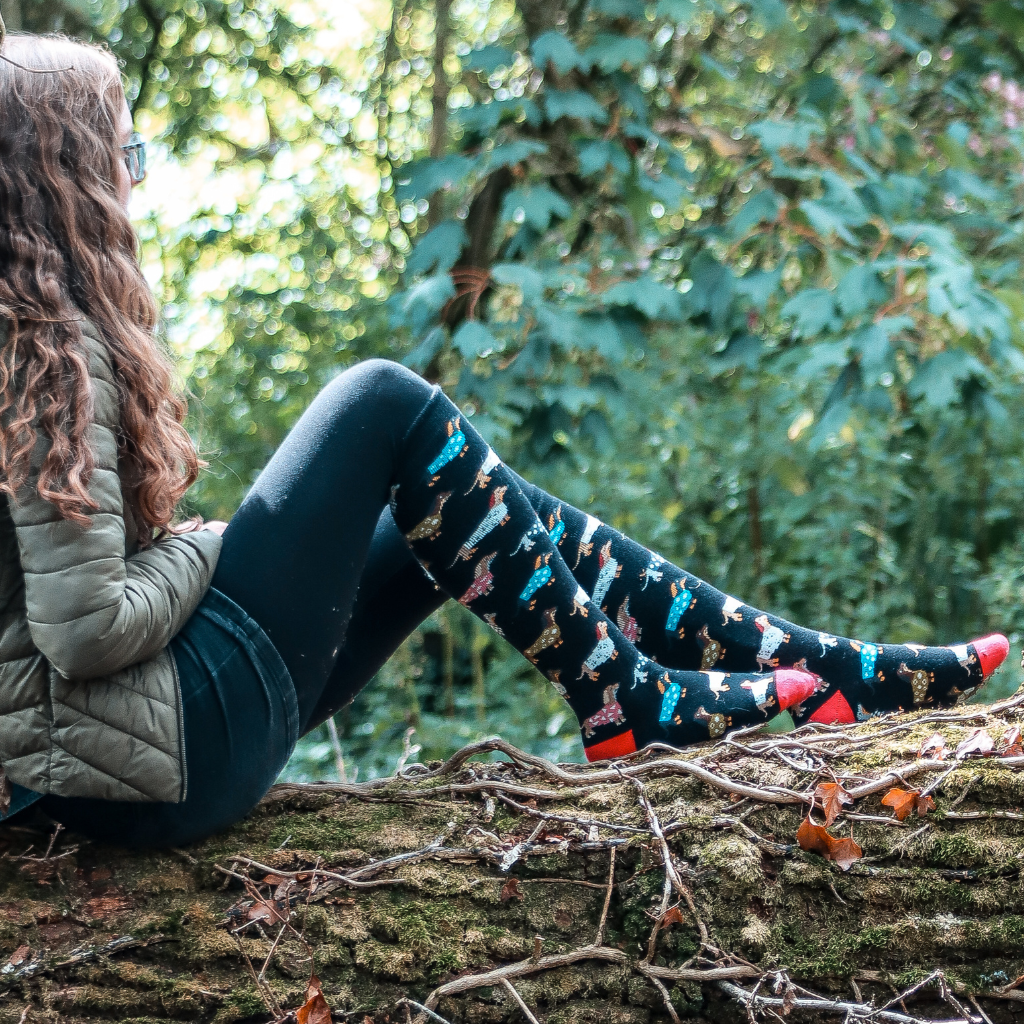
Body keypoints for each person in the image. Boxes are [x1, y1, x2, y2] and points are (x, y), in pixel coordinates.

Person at [0, 33, 1009, 848]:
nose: (135, 182)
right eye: (123, 157)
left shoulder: (32, 336)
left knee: (471, 510)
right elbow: (85, 627)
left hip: (140, 752)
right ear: (68, 176)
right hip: (166, 753)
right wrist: (207, 545)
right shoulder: (40, 352)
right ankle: (637, 696)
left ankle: (813, 671)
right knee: (378, 401)